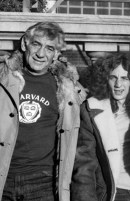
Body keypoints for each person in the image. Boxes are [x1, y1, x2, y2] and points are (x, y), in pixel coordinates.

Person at [0, 22, 87, 201]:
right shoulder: (3, 78)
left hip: (43, 182)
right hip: (3, 176)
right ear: (25, 44)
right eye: (36, 44)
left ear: (56, 53)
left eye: (49, 48)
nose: (41, 54)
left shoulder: (67, 88)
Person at [71, 52, 130, 201]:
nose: (118, 84)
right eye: (113, 78)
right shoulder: (92, 109)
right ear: (105, 79)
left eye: (125, 78)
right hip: (114, 193)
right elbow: (84, 164)